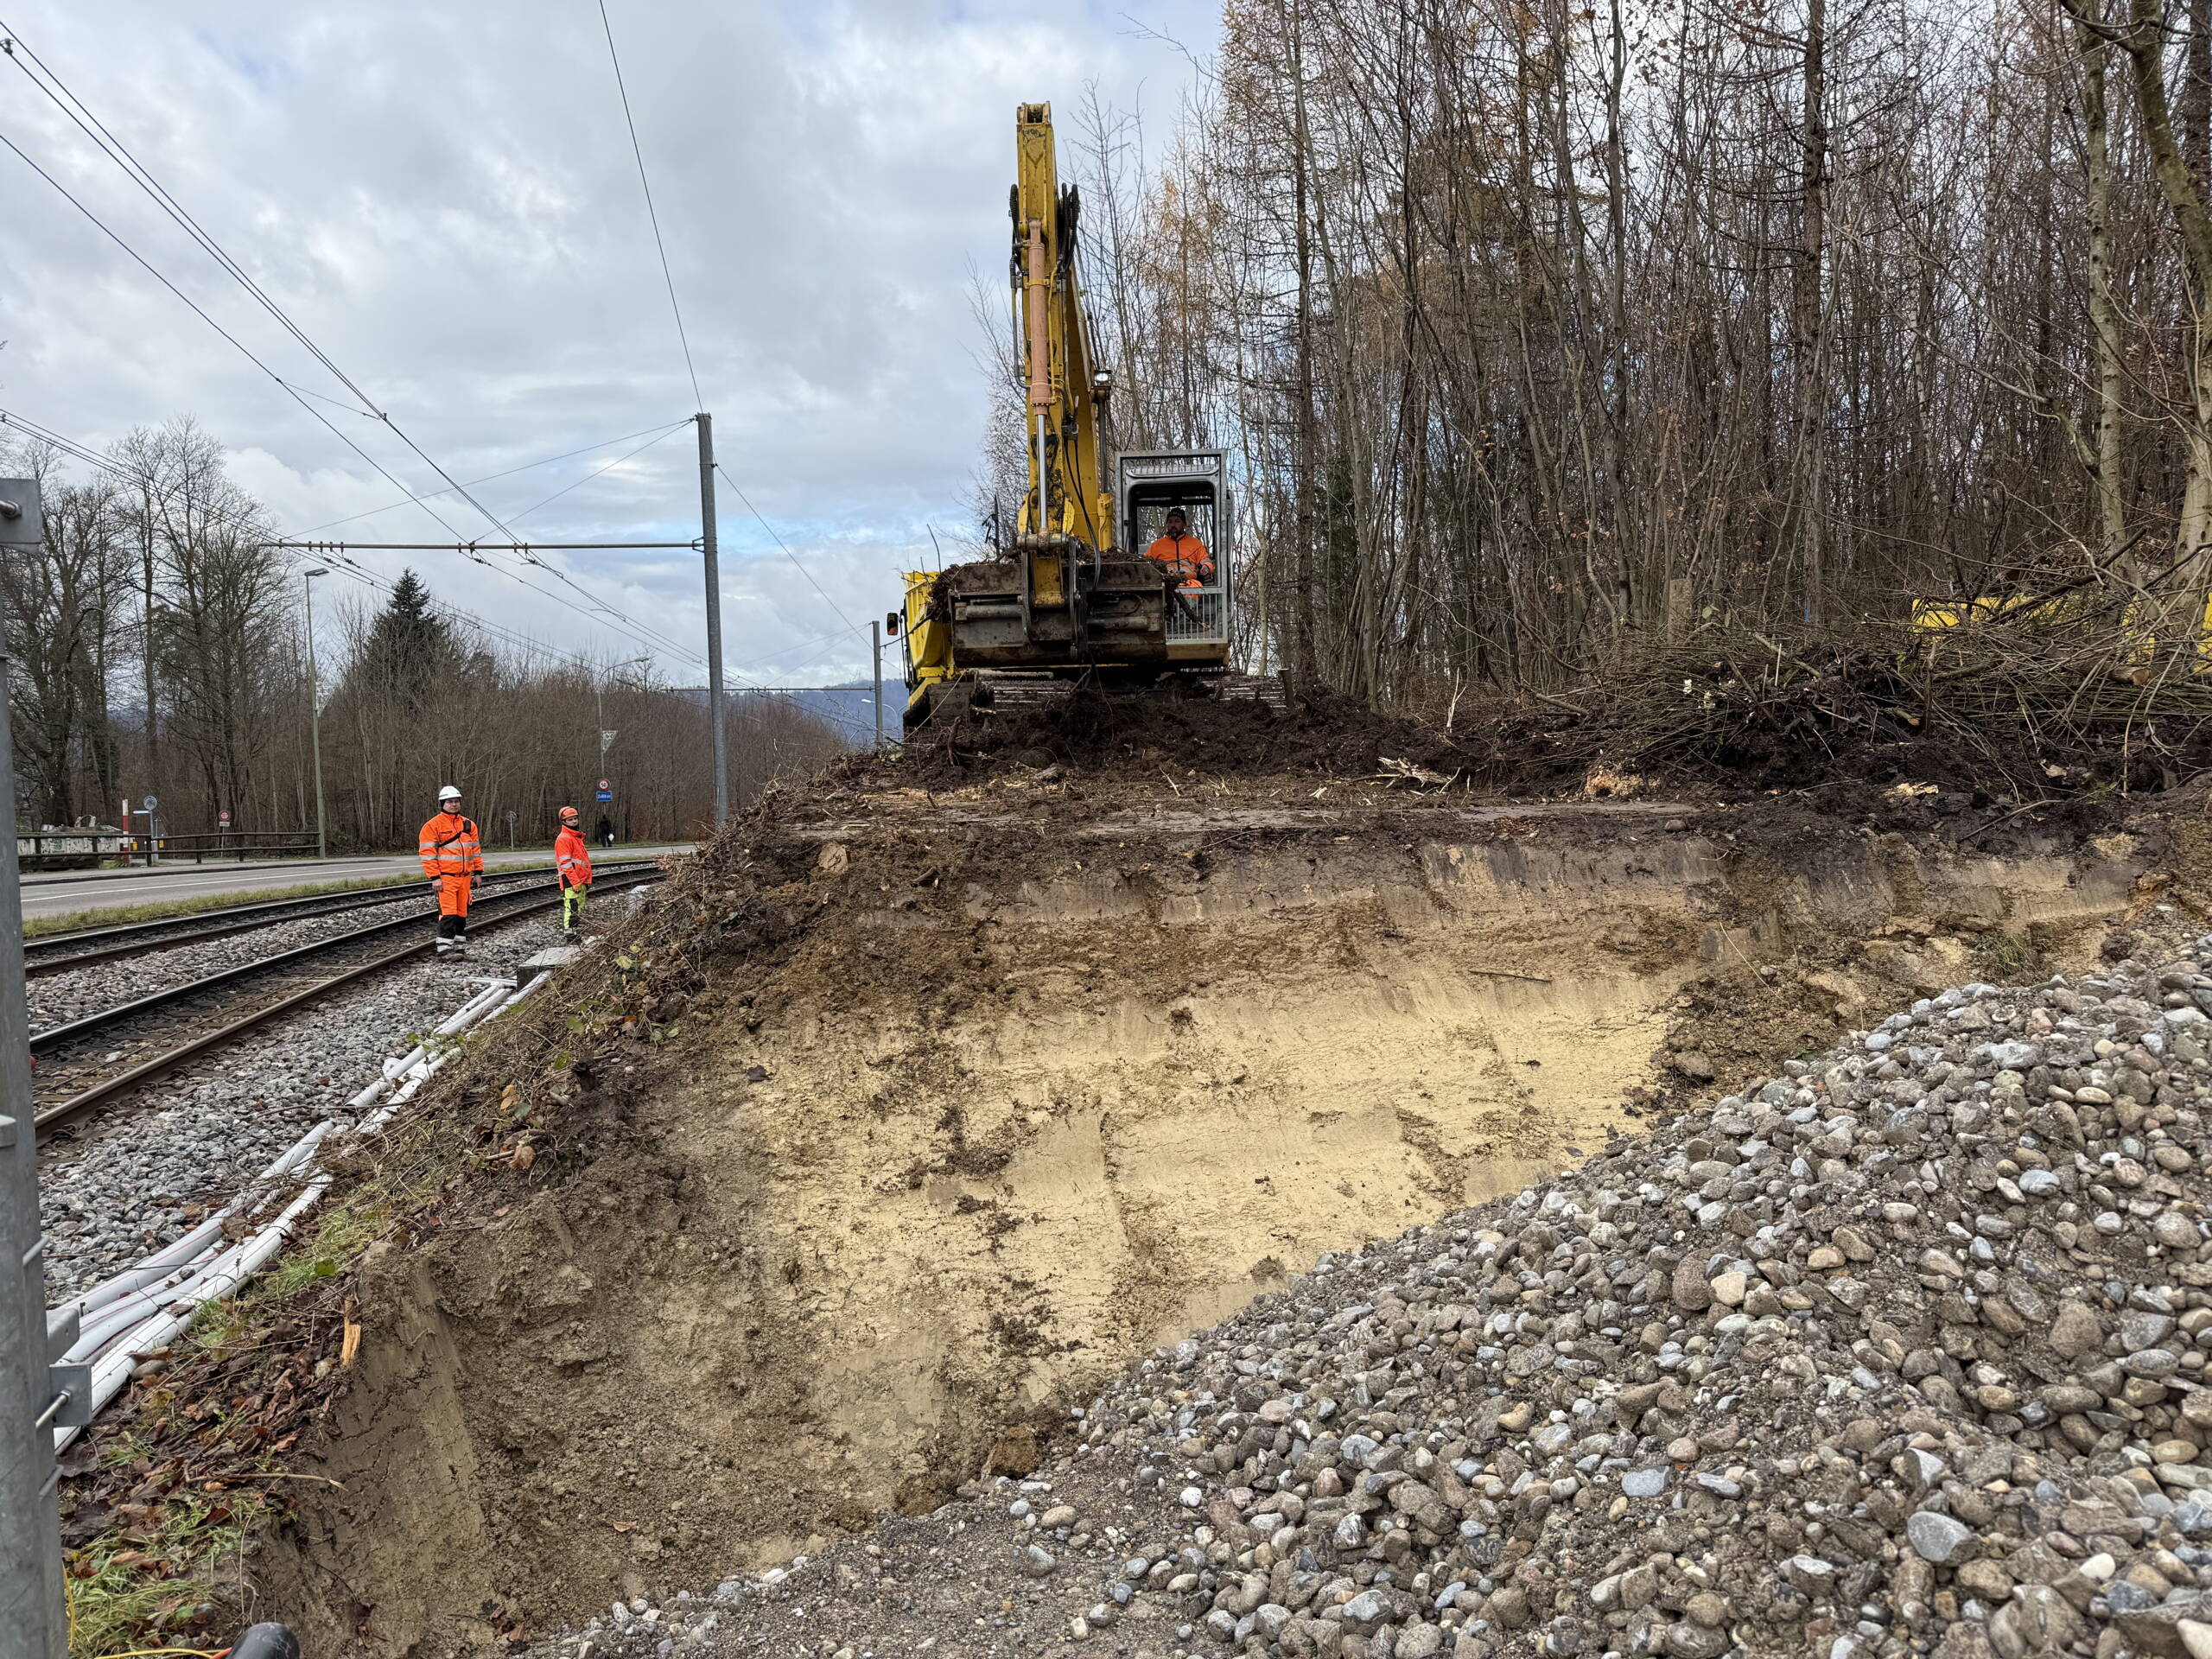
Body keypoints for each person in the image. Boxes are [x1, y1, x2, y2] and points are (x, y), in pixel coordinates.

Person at [417, 784, 484, 957]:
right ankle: (445, 950)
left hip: (464, 878)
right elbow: (427, 854)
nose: (454, 804)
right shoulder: (433, 826)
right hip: (446, 878)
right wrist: (434, 877)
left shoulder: (469, 825)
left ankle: (459, 949)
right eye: (450, 802)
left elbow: (475, 850)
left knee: (462, 915)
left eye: (456, 801)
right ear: (442, 804)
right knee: (448, 914)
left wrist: (478, 872)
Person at [1142, 506, 1215, 589]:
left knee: (1195, 587)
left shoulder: (1195, 544)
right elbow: (1144, 563)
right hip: (1164, 584)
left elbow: (1206, 561)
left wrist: (1207, 567)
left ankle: (1188, 602)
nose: (1173, 525)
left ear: (1184, 525)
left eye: (1177, 521)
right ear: (1167, 525)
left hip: (1189, 583)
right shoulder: (1156, 545)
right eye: (1170, 522)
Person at [555, 804, 593, 934]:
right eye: (570, 819)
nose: (574, 821)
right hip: (571, 880)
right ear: (564, 822)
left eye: (575, 818)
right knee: (572, 907)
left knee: (579, 907)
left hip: (580, 879)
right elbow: (565, 863)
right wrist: (574, 881)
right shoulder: (564, 839)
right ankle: (570, 935)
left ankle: (575, 932)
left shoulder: (575, 837)